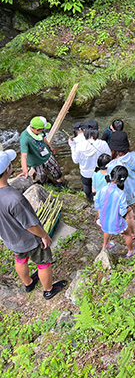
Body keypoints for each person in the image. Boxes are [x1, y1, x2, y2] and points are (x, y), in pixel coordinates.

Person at [0, 149, 67, 299]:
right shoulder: (15, 199)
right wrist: (44, 236)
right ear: (7, 169)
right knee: (43, 263)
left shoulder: (8, 195)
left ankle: (28, 283)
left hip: (11, 239)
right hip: (30, 240)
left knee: (20, 259)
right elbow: (30, 225)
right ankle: (48, 290)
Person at [94, 165, 135, 258]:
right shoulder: (120, 193)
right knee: (127, 233)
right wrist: (129, 209)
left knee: (106, 230)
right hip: (116, 222)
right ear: (124, 179)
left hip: (104, 219)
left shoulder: (103, 189)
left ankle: (105, 245)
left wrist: (99, 213)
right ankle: (131, 251)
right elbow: (122, 212)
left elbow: (97, 203)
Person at [108, 131, 135, 235]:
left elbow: (112, 183)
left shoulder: (111, 165)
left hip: (124, 194)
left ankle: (133, 233)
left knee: (129, 215)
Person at [68, 122, 111, 203]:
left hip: (86, 173)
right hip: (99, 172)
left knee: (87, 185)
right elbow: (109, 156)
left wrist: (72, 146)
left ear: (85, 131)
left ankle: (88, 199)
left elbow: (75, 161)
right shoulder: (103, 143)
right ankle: (100, 200)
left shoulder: (79, 146)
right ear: (97, 131)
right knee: (99, 186)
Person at [19, 116, 63, 187]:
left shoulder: (40, 131)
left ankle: (59, 182)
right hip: (36, 161)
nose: (44, 130)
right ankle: (47, 181)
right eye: (43, 129)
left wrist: (50, 147)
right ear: (37, 129)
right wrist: (25, 170)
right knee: (41, 175)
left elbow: (43, 137)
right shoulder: (25, 138)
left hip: (47, 154)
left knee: (55, 168)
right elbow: (23, 155)